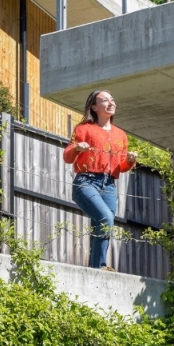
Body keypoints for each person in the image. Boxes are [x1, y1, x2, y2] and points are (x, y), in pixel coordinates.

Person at [63, 90, 137, 269]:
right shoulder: (83, 129)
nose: (111, 103)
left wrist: (130, 161)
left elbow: (120, 166)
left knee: (103, 225)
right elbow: (67, 156)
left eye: (112, 99)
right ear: (94, 107)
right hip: (86, 182)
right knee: (106, 218)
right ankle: (100, 266)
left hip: (109, 185)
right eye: (105, 100)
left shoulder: (121, 135)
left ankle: (96, 268)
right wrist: (77, 149)